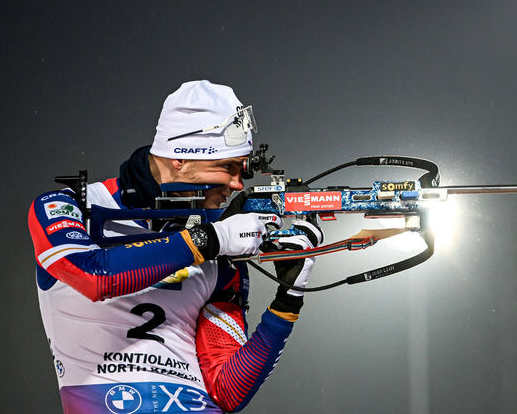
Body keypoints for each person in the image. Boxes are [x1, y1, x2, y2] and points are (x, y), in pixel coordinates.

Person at [29, 80, 320, 413]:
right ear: (180, 159)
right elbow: (94, 276)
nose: (238, 185)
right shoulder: (70, 206)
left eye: (242, 169)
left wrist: (289, 298)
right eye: (227, 167)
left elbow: (228, 390)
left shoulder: (221, 244)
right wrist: (213, 239)